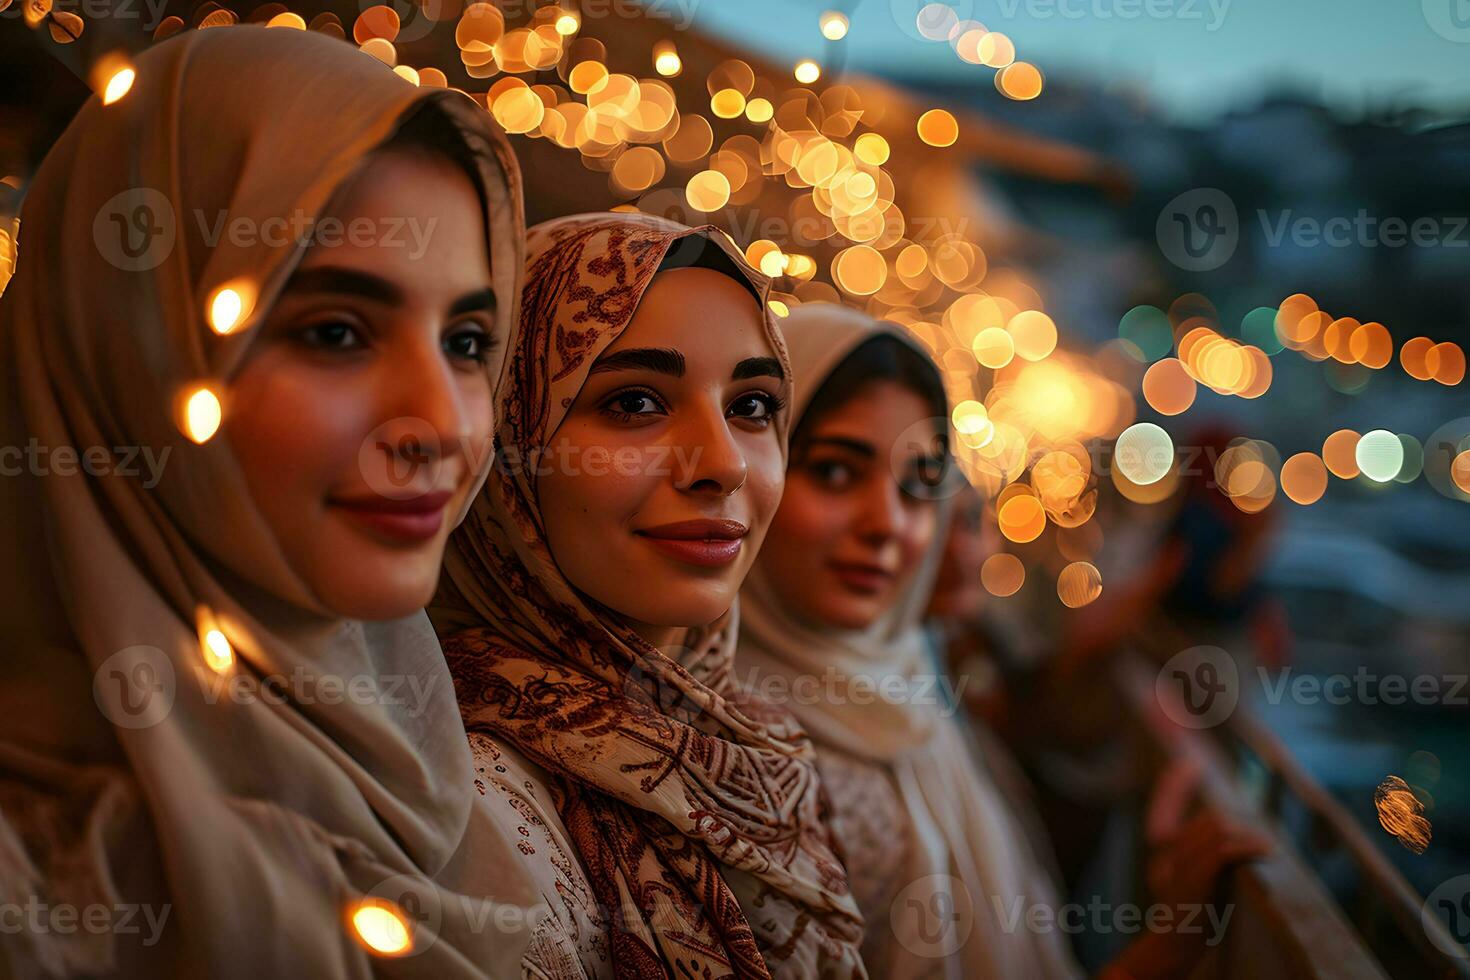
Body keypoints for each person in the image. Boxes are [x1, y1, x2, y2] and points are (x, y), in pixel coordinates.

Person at [0, 26, 543, 977]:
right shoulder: (42, 882)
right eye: (335, 331)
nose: (442, 426)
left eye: (466, 343)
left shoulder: (436, 787)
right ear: (124, 349)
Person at [738, 303, 1271, 980]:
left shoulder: (901, 685)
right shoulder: (736, 768)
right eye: (837, 472)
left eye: (918, 486)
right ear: (752, 472)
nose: (891, 526)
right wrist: (1165, 947)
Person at [431, 213, 865, 980]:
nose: (723, 463)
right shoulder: (467, 824)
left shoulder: (760, 754)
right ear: (506, 442)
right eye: (635, 403)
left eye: (753, 406)